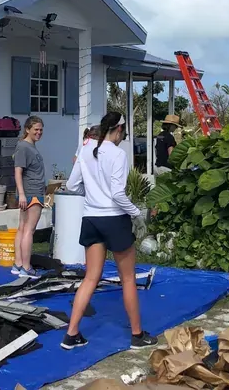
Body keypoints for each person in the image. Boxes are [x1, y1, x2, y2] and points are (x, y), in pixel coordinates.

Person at [62, 111, 157, 352]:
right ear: (119, 129)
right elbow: (117, 194)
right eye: (123, 131)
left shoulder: (85, 149)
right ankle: (137, 335)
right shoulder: (118, 154)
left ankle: (71, 335)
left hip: (91, 219)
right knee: (127, 279)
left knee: (90, 277)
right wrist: (136, 213)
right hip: (114, 219)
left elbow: (72, 184)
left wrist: (93, 190)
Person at [12, 116, 46, 279]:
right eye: (36, 130)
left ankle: (18, 264)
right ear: (27, 129)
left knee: (22, 228)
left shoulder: (29, 147)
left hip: (31, 192)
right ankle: (26, 267)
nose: (39, 132)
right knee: (28, 230)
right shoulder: (24, 147)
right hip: (31, 193)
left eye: (41, 129)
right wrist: (22, 194)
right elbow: (18, 171)